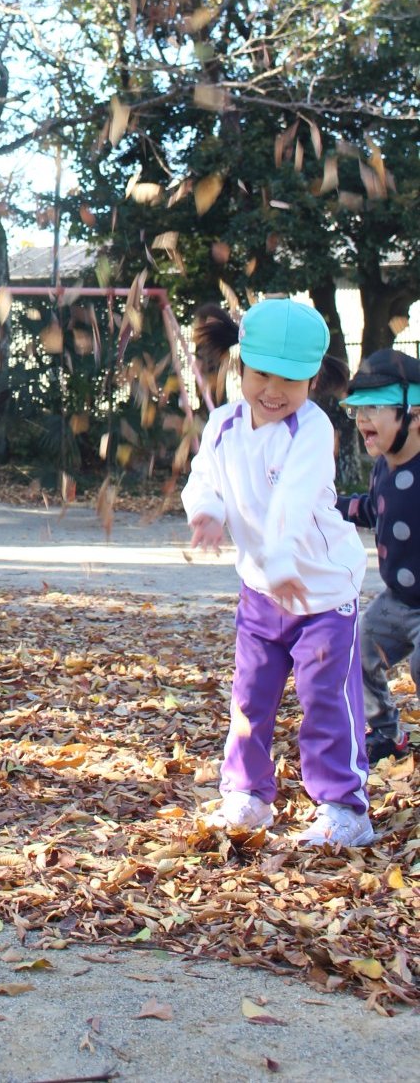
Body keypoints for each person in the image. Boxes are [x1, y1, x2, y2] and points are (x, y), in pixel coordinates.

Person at [184, 298, 373, 846]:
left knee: (324, 698)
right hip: (263, 592)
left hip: (321, 592)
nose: (273, 390)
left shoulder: (312, 430)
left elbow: (295, 496)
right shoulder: (222, 424)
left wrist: (286, 560)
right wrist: (207, 512)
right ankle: (246, 795)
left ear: (312, 379)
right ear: (240, 367)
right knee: (250, 694)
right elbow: (204, 479)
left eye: (290, 380)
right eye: (262, 374)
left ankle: (344, 807)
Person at [336, 348, 420, 765]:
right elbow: (373, 508)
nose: (362, 419)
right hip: (399, 600)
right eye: (357, 411)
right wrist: (330, 506)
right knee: (357, 649)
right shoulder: (384, 466)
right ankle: (387, 732)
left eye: (374, 408)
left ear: (414, 414)